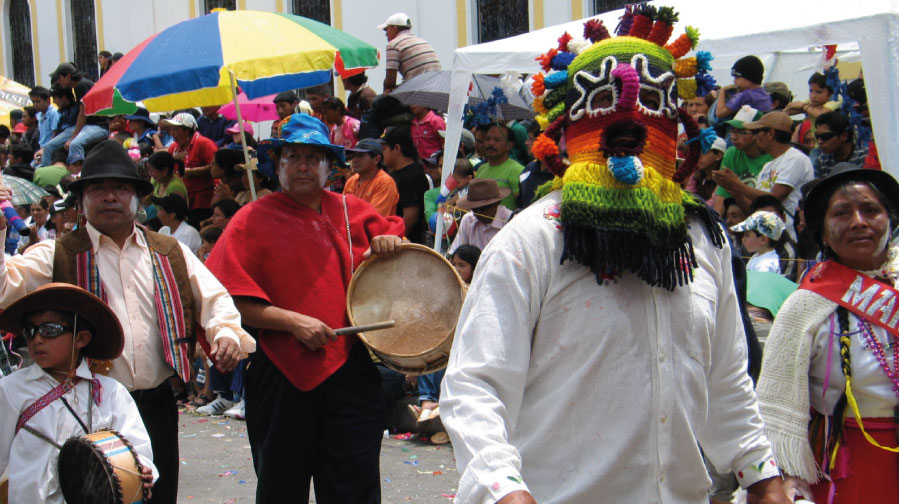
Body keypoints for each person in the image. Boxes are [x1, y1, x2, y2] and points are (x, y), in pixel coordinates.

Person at [441, 17, 789, 504]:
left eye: (653, 105)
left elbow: (726, 377)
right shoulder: (533, 238)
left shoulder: (703, 241)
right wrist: (503, 489)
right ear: (570, 126)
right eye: (604, 103)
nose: (630, 126)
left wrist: (761, 473)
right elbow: (476, 385)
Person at [0, 139, 256, 503]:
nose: (109, 197)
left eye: (120, 188)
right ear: (82, 199)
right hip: (85, 404)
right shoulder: (58, 253)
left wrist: (226, 332)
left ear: (137, 198)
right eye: (98, 188)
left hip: (156, 404)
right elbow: (3, 288)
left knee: (158, 496)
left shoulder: (169, 251)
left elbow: (214, 299)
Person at [204, 113, 407, 503]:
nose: (302, 166)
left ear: (329, 167)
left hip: (350, 365)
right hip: (280, 371)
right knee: (281, 486)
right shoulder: (251, 219)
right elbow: (228, 299)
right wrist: (291, 322)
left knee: (355, 485)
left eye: (313, 158)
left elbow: (396, 247)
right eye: (292, 156)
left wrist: (389, 244)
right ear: (276, 165)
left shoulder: (353, 211)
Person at [756, 168, 899, 503]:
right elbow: (775, 404)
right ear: (822, 234)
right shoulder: (804, 308)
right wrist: (786, 476)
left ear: (890, 222)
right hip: (843, 463)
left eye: (871, 210)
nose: (859, 222)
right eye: (842, 213)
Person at [0, 283, 157, 503]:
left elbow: (137, 449)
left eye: (49, 330)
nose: (37, 339)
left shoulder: (111, 393)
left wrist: (142, 469)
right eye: (30, 331)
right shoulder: (11, 390)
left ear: (81, 339)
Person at [713, 111, 814, 242]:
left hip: (789, 239)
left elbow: (773, 200)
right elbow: (753, 209)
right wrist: (735, 191)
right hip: (767, 240)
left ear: (770, 134)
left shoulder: (795, 159)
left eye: (757, 133)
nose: (754, 138)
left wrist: (737, 184)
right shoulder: (768, 166)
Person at [711, 106, 772, 216]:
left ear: (756, 133)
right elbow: (722, 195)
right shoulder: (731, 154)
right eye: (732, 131)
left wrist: (736, 186)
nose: (733, 137)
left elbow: (768, 203)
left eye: (741, 132)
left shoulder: (771, 157)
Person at [46, 63, 109, 167]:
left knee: (75, 144)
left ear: (68, 76)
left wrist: (72, 138)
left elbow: (82, 114)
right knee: (50, 145)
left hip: (98, 126)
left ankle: (78, 175)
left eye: (60, 78)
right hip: (88, 126)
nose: (58, 81)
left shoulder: (82, 85)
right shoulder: (78, 86)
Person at [163, 112, 218, 225]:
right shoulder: (173, 148)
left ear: (187, 130)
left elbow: (217, 168)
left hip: (202, 201)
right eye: (171, 130)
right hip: (182, 200)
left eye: (175, 130)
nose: (172, 134)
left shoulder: (204, 143)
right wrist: (172, 159)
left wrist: (192, 172)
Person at [381, 127, 430, 244]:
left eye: (384, 149)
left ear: (397, 148)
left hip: (407, 244)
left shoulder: (413, 176)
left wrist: (394, 241)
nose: (382, 154)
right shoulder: (394, 173)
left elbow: (410, 218)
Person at [447, 178, 513, 254]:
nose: (478, 213)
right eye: (474, 209)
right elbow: (455, 251)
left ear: (496, 204)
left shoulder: (510, 220)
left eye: (482, 208)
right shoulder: (468, 220)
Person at [379, 12, 441, 92]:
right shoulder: (421, 40)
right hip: (436, 86)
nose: (386, 34)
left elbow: (390, 81)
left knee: (379, 101)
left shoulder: (394, 44)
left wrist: (385, 91)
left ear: (394, 28)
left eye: (386, 30)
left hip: (418, 88)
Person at [343, 138, 399, 217]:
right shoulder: (351, 181)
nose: (355, 160)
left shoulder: (384, 182)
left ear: (376, 159)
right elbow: (342, 212)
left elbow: (374, 220)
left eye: (361, 156)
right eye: (354, 156)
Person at [474, 123, 524, 210]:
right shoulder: (481, 169)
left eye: (497, 140)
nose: (491, 143)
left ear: (509, 145)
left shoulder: (517, 170)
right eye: (487, 139)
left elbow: (522, 205)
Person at [714, 55, 772, 121]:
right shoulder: (766, 96)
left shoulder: (745, 95)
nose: (734, 81)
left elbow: (719, 113)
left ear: (750, 77)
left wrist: (722, 91)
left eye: (737, 77)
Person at [812, 111, 868, 179]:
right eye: (817, 136)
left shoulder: (865, 157)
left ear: (844, 136)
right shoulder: (822, 160)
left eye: (825, 136)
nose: (819, 141)